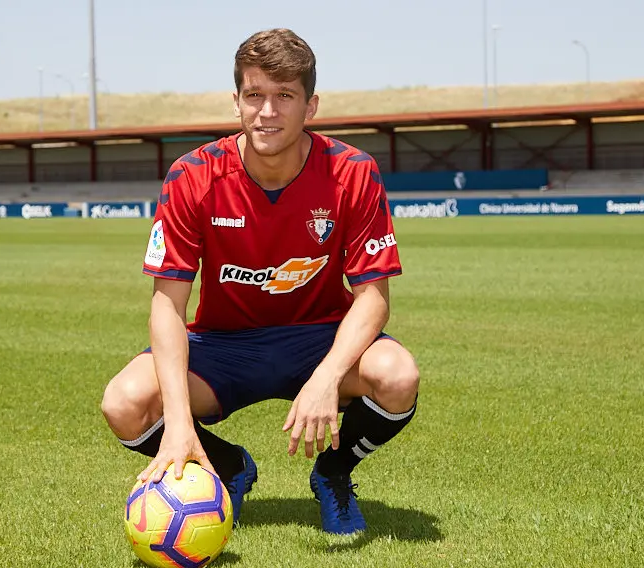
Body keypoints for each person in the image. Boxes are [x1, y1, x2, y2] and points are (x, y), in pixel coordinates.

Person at [100, 28, 420, 536]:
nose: (267, 111)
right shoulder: (193, 176)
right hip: (224, 347)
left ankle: (333, 475)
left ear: (310, 106)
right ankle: (229, 468)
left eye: (284, 96)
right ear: (236, 102)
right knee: (124, 403)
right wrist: (180, 423)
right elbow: (167, 306)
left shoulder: (353, 172)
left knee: (398, 377)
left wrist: (327, 376)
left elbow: (373, 299)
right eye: (255, 95)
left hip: (319, 336)